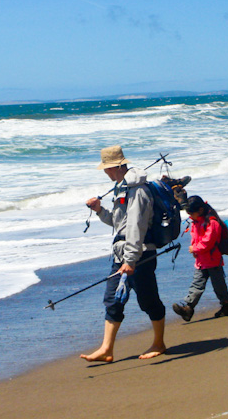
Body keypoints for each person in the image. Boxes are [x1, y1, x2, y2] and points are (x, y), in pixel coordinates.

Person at [81, 145, 166, 362]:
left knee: (148, 301)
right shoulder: (122, 187)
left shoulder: (137, 190)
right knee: (112, 300)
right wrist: (99, 210)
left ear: (118, 166)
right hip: (122, 255)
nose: (105, 172)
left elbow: (136, 227)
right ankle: (106, 349)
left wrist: (131, 260)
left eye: (107, 168)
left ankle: (159, 343)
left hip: (140, 256)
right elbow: (119, 224)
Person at [172, 195, 228, 322]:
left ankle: (227, 305)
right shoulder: (197, 221)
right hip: (201, 261)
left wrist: (195, 249)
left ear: (200, 210)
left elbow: (208, 242)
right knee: (196, 285)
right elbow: (197, 238)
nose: (190, 216)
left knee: (219, 285)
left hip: (213, 259)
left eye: (191, 213)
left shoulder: (213, 223)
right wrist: (195, 249)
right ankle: (188, 308)